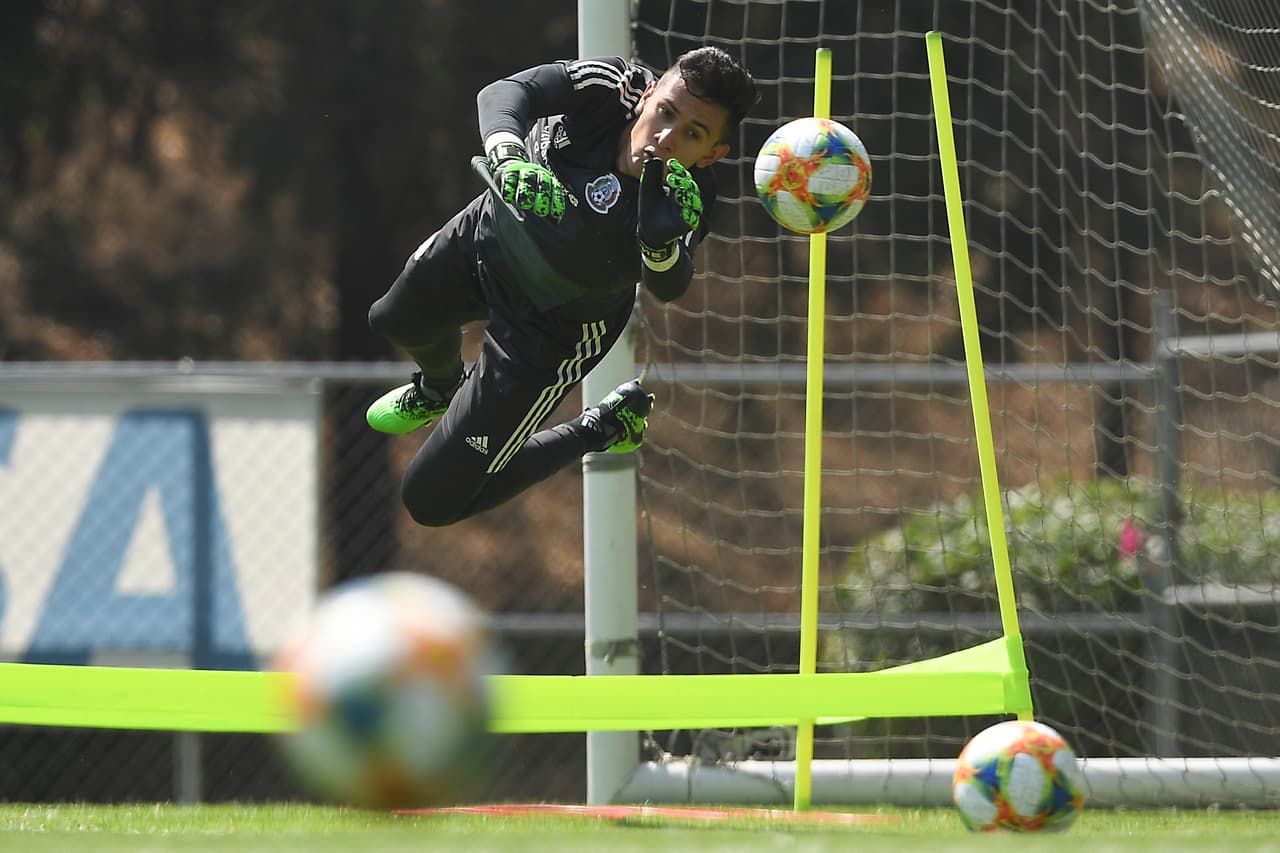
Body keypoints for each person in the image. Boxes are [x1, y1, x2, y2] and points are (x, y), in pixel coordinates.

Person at [365, 47, 758, 527]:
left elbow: (669, 285)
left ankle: (603, 426)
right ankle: (440, 388)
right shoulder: (611, 85)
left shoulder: (688, 198)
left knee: (430, 500)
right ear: (649, 94)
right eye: (666, 112)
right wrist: (508, 156)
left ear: (712, 154)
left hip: (550, 330)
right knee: (393, 318)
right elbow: (505, 93)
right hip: (487, 239)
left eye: (692, 134)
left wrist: (658, 245)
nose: (665, 137)